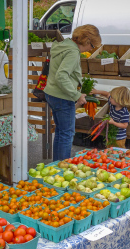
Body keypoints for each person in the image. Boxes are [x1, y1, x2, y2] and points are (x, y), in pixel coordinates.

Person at [44, 24, 101, 160]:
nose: (91, 49)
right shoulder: (73, 52)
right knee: (67, 133)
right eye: (92, 46)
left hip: (52, 93)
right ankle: (62, 168)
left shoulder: (63, 45)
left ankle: (57, 166)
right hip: (62, 96)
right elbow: (61, 76)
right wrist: (77, 95)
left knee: (60, 132)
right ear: (87, 41)